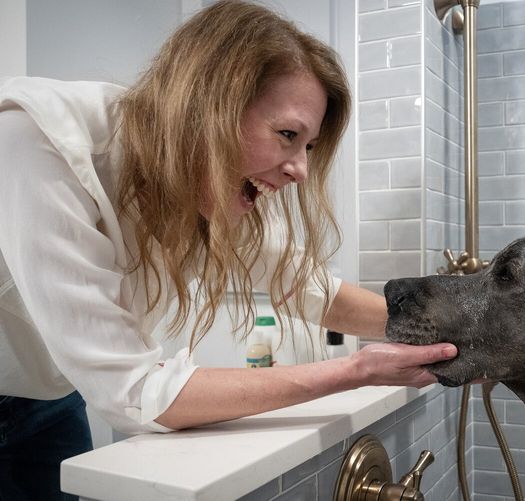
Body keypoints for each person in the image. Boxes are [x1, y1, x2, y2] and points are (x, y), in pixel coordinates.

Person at [0, 2, 458, 499]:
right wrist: (355, 370)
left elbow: (314, 292)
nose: (300, 170)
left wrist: (452, 331)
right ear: (207, 103)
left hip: (52, 396)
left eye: (307, 147)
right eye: (287, 135)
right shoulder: (38, 142)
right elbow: (134, 394)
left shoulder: (210, 186)